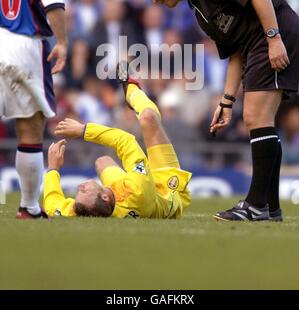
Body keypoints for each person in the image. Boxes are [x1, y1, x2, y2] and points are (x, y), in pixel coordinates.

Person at [139, 0, 299, 222]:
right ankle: (270, 207)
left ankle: (256, 205)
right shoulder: (199, 10)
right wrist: (226, 101)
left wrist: (274, 39)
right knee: (260, 120)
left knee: (255, 118)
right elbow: (235, 53)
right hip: (257, 44)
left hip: (273, 34)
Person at [43, 64, 192, 218]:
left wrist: (53, 169)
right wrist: (83, 130)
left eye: (77, 194)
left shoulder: (81, 210)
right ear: (105, 197)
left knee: (103, 161)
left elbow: (52, 206)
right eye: (83, 190)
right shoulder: (137, 190)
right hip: (167, 188)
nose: (80, 186)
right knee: (148, 118)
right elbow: (125, 140)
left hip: (124, 194)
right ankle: (132, 90)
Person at [0, 0, 67, 219]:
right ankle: (28, 207)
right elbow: (51, 0)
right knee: (29, 128)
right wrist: (64, 42)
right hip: (23, 43)